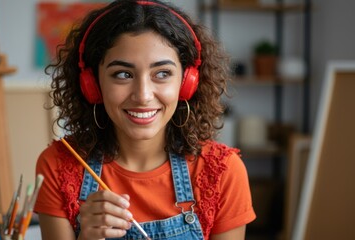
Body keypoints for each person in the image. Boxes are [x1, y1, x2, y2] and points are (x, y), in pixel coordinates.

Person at [34, 0, 256, 239]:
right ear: (92, 85)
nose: (143, 95)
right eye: (122, 74)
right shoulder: (57, 165)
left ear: (187, 83)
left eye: (162, 73)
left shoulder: (223, 172)